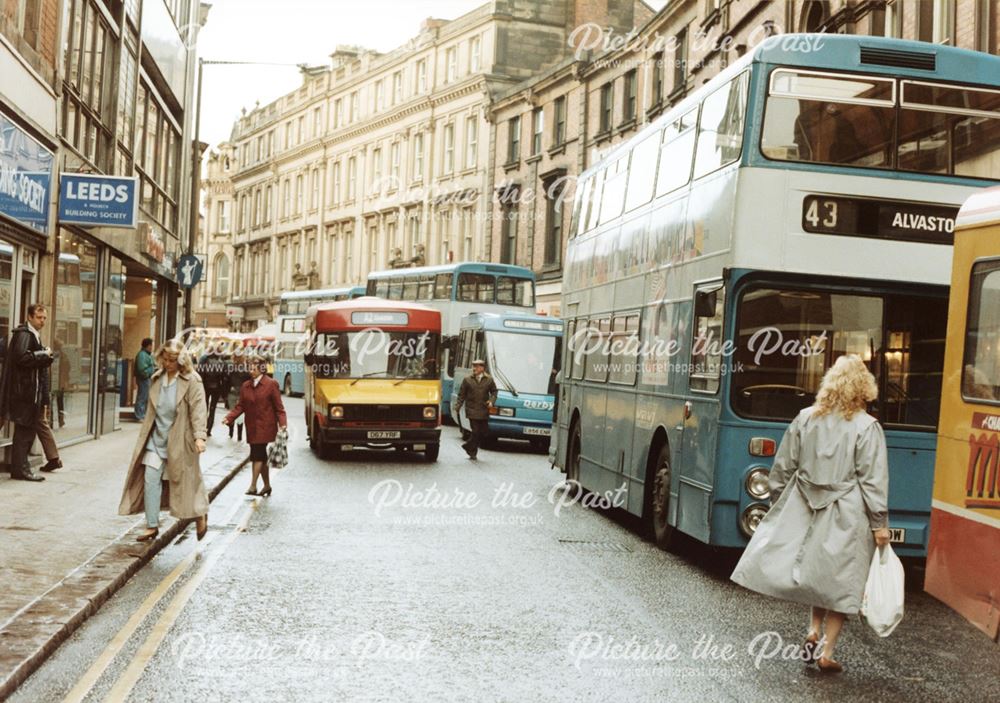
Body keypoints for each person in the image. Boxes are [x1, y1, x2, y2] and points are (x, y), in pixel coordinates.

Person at [730, 355, 891, 674]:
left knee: (817, 573)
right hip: (847, 510)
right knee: (841, 580)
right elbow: (873, 479)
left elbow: (783, 466)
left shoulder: (805, 418)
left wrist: (782, 501)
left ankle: (812, 630)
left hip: (805, 501)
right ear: (864, 388)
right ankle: (826, 652)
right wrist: (880, 523)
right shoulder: (867, 427)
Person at [118, 340, 209, 542]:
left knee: (186, 483)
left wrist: (200, 437)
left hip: (180, 440)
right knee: (151, 480)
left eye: (173, 360)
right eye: (165, 359)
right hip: (156, 439)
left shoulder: (192, 380)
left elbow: (198, 411)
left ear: (181, 360)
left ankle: (200, 514)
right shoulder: (157, 378)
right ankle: (151, 525)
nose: (168, 364)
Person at [0, 304, 55, 482]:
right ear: (30, 317)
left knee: (26, 432)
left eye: (45, 318)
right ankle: (21, 470)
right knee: (25, 432)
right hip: (24, 393)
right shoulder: (24, 334)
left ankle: (20, 469)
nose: (43, 321)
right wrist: (44, 354)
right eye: (39, 317)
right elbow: (22, 358)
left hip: (27, 392)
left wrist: (44, 355)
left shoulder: (31, 334)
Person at [223, 355, 286, 496]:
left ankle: (253, 486)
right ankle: (267, 486)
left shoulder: (271, 384)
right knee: (261, 456)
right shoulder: (246, 385)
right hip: (251, 427)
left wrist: (283, 425)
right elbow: (240, 406)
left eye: (253, 367)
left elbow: (279, 408)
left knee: (257, 455)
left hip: (265, 427)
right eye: (249, 367)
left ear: (262, 368)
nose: (250, 370)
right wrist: (229, 418)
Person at [454, 359, 497, 461]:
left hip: (483, 410)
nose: (474, 368)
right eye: (473, 366)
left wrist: (491, 401)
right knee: (476, 431)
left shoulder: (489, 380)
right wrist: (457, 406)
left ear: (482, 368)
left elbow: (494, 392)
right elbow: (461, 395)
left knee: (483, 432)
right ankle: (473, 452)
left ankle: (468, 446)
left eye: (477, 367)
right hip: (472, 410)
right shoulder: (467, 380)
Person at [197, 342, 230, 434]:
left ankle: (202, 427)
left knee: (204, 407)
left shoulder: (204, 358)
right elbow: (225, 376)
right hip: (216, 387)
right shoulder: (221, 361)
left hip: (205, 386)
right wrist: (224, 391)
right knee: (212, 408)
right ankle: (209, 429)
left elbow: (200, 372)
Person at [226, 349, 250, 441]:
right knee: (239, 414)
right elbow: (248, 381)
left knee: (232, 413)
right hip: (242, 394)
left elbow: (226, 381)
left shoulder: (231, 367)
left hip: (232, 393)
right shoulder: (246, 368)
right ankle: (239, 436)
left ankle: (230, 433)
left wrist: (227, 390)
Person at [133, 338, 155, 421]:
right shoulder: (142, 355)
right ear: (148, 346)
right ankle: (139, 415)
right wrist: (150, 371)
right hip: (144, 379)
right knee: (142, 397)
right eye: (151, 345)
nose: (152, 347)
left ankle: (143, 414)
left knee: (145, 397)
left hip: (146, 379)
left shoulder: (146, 355)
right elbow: (141, 369)